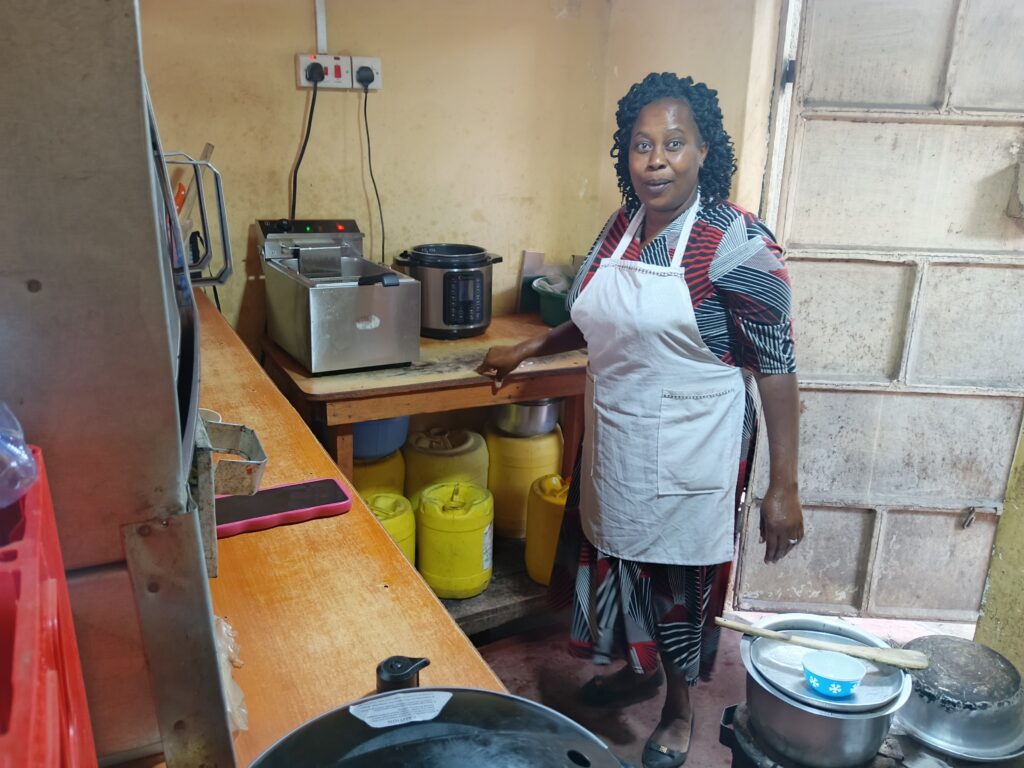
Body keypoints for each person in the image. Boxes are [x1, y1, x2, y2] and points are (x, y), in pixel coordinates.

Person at [477, 72, 803, 768]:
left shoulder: (735, 243)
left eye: (674, 144)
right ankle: (638, 668)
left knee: (677, 581)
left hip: (695, 442)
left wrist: (785, 486)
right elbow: (592, 317)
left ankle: (680, 712)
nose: (655, 160)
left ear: (705, 150)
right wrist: (529, 347)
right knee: (618, 560)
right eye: (641, 145)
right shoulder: (621, 229)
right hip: (620, 433)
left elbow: (777, 365)